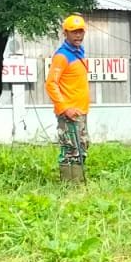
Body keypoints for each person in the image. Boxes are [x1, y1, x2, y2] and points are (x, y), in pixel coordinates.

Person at [46, 13, 90, 181]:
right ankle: (70, 186)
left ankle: (78, 184)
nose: (78, 35)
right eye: (74, 32)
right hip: (69, 113)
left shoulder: (79, 52)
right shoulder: (62, 56)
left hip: (80, 111)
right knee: (71, 150)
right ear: (65, 33)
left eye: (80, 31)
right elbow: (51, 84)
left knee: (82, 147)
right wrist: (65, 108)